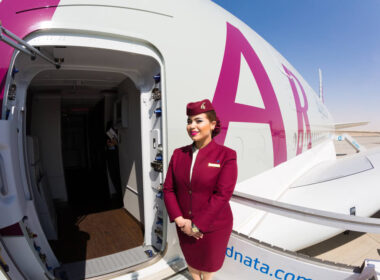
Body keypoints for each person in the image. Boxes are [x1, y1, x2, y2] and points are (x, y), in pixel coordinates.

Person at [163, 99, 238, 280]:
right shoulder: (178, 154)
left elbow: (222, 195)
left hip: (212, 227)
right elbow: (168, 189)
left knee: (209, 266)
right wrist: (181, 220)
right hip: (184, 225)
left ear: (212, 124)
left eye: (198, 121)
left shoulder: (226, 155)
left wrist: (197, 225)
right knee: (192, 262)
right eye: (189, 121)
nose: (192, 126)